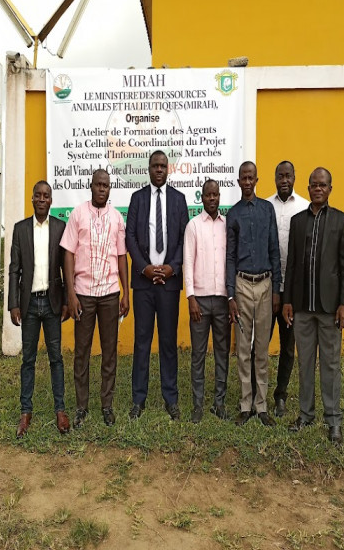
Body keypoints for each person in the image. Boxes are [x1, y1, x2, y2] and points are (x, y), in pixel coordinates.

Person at [282, 167, 344, 445]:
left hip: (329, 308)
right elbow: (291, 266)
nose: (318, 189)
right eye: (313, 185)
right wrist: (288, 300)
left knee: (331, 365)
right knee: (305, 363)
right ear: (308, 188)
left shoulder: (341, 221)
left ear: (330, 188)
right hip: (302, 307)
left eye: (323, 185)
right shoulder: (298, 222)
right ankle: (305, 414)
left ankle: (333, 420)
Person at [60, 169, 129, 428]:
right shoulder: (78, 214)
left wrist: (126, 292)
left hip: (110, 294)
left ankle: (107, 405)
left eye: (106, 185)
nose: (102, 189)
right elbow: (68, 252)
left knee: (109, 352)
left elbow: (122, 257)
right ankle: (81, 407)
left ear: (110, 189)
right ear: (91, 186)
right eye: (98, 184)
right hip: (84, 295)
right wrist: (71, 293)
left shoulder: (116, 218)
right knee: (82, 352)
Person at [126, 150, 189, 420]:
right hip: (143, 283)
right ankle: (138, 400)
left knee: (167, 342)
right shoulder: (137, 198)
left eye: (163, 166)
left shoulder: (179, 199)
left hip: (169, 284)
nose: (159, 170)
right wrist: (145, 268)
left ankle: (170, 398)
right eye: (155, 166)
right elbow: (129, 236)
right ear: (148, 169)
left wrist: (172, 267)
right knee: (142, 342)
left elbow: (184, 237)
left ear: (168, 169)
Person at [8, 181, 70, 437]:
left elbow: (66, 268)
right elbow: (14, 269)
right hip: (30, 303)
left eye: (47, 196)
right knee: (28, 360)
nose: (42, 199)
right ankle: (25, 412)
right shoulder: (20, 229)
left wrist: (67, 300)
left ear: (51, 200)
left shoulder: (60, 228)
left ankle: (60, 410)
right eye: (38, 196)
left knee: (56, 358)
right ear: (32, 199)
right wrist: (13, 303)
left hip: (53, 302)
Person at [226, 161, 281, 427]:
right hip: (243, 285)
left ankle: (262, 405)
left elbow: (274, 251)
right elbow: (230, 256)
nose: (247, 182)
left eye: (251, 178)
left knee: (262, 348)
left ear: (257, 180)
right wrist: (230, 295)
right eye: (243, 178)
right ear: (238, 182)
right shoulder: (233, 214)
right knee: (243, 349)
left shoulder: (267, 210)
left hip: (265, 284)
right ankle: (245, 404)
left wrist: (277, 290)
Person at [184, 179, 230, 423]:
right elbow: (187, 264)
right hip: (199, 302)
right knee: (198, 354)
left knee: (222, 352)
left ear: (219, 196)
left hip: (222, 300)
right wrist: (190, 297)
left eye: (215, 194)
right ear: (201, 198)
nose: (212, 199)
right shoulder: (193, 226)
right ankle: (198, 404)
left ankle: (219, 403)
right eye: (207, 195)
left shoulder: (227, 226)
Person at [266, 161, 309, 417]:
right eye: (280, 176)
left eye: (288, 175)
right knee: (259, 344)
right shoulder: (266, 206)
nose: (284, 180)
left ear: (294, 178)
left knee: (287, 346)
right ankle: (256, 393)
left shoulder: (304, 207)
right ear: (274, 179)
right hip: (267, 287)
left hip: (292, 290)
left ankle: (280, 395)